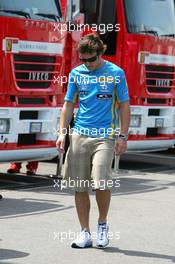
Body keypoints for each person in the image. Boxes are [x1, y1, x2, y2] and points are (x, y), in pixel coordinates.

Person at [56, 33, 130, 248]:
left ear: (100, 53)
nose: (86, 64)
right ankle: (84, 233)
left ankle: (102, 224)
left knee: (101, 181)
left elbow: (125, 106)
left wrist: (123, 136)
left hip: (105, 136)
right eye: (83, 60)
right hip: (79, 134)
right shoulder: (76, 73)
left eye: (90, 59)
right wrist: (62, 133)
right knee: (80, 185)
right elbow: (68, 104)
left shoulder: (116, 73)